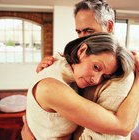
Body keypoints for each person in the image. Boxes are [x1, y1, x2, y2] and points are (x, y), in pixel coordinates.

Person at [21, 0, 139, 139]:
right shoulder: (68, 64)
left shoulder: (121, 74)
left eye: (89, 31)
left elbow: (123, 127)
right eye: (79, 32)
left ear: (109, 26)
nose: (83, 38)